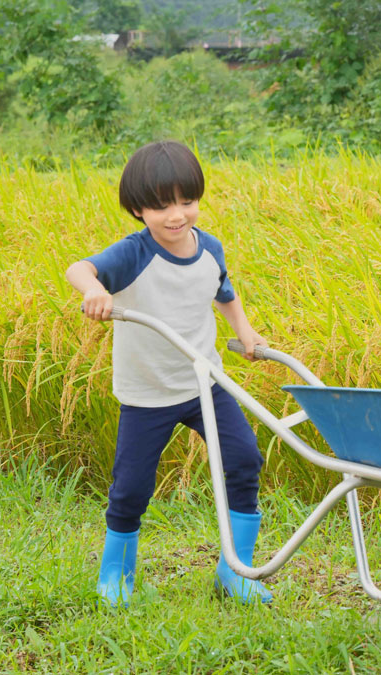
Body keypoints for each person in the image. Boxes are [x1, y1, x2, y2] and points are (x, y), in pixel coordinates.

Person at [65, 141, 271, 606]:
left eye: (186, 201)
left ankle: (235, 572)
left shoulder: (209, 247)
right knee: (132, 486)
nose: (177, 215)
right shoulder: (134, 254)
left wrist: (245, 330)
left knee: (243, 461)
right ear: (138, 209)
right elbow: (79, 268)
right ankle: (115, 577)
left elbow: (222, 289)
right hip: (147, 394)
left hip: (204, 384)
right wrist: (96, 289)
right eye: (161, 206)